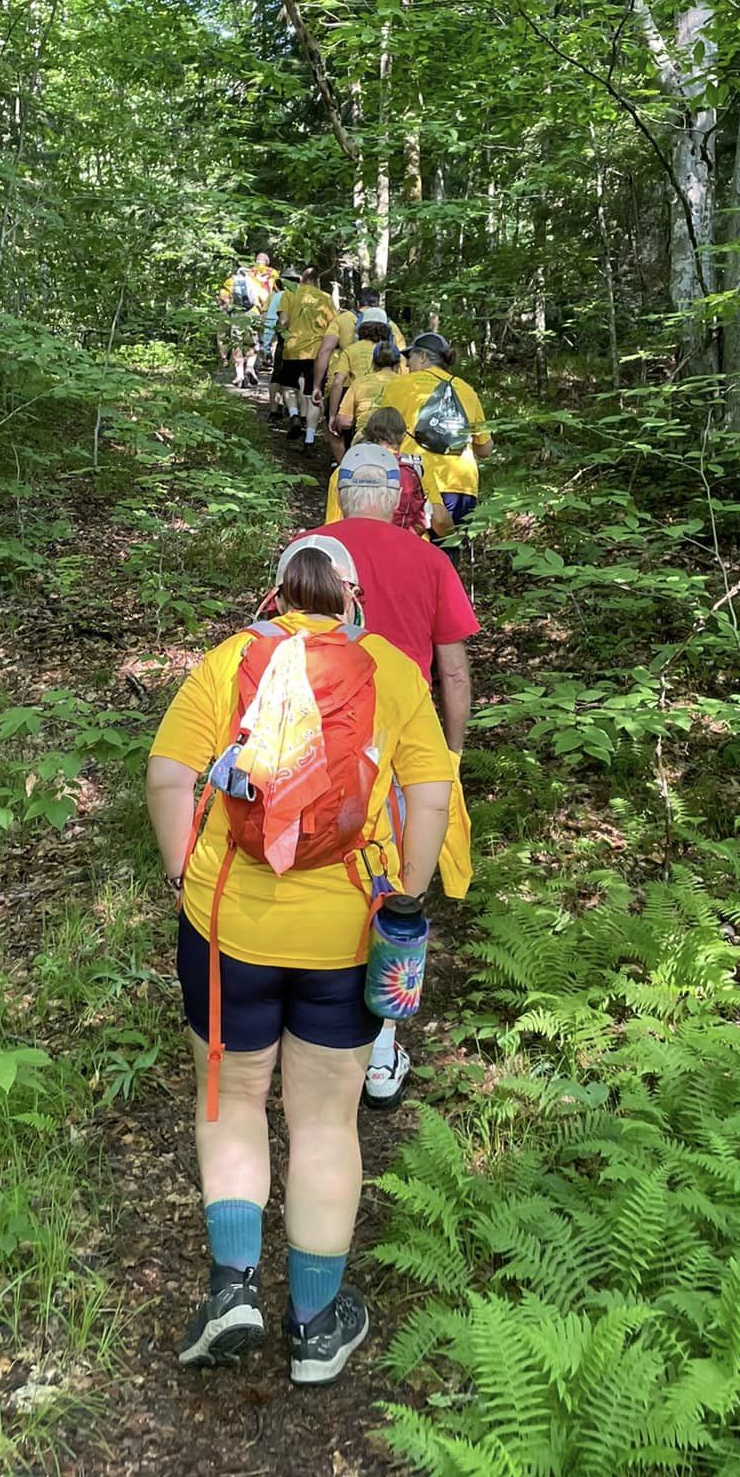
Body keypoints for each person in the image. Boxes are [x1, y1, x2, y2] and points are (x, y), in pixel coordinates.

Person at [147, 537, 453, 1383]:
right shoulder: (391, 670)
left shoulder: (229, 660)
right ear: (352, 596)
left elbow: (169, 775)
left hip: (226, 928)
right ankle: (315, 1328)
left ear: (277, 593)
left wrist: (181, 872)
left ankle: (234, 1290)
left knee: (233, 1102)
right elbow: (431, 794)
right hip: (345, 936)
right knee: (323, 1123)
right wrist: (406, 893)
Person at [295, 445, 479, 1112]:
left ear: (342, 493)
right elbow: (452, 670)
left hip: (315, 739)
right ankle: (378, 1055)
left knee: (313, 865)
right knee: (395, 891)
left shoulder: (308, 550)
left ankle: (303, 1011)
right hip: (402, 747)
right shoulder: (430, 560)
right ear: (400, 498)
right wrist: (450, 754)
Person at [380, 331, 493, 557]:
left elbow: (382, 436)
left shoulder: (399, 386)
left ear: (423, 357)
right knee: (447, 557)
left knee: (407, 555)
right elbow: (485, 449)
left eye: (410, 358)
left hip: (413, 480)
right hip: (461, 486)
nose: (407, 364)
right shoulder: (466, 390)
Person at [324, 405, 453, 544]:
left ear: (368, 434)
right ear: (403, 436)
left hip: (357, 547)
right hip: (408, 547)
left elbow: (333, 525)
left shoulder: (346, 470)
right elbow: (439, 519)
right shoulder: (417, 468)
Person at [312, 287, 406, 435]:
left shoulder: (342, 320)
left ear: (357, 303)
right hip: (384, 390)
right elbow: (403, 358)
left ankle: (344, 450)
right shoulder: (391, 325)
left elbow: (325, 351)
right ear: (378, 304)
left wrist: (316, 385)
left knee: (338, 433)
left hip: (345, 386)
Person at [276, 264, 337, 447]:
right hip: (317, 352)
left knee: (288, 386)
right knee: (313, 395)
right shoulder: (325, 298)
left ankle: (294, 415)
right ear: (317, 281)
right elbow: (334, 326)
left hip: (293, 348)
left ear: (301, 279)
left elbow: (283, 321)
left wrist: (280, 334)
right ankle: (310, 439)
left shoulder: (289, 294)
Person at [216, 262, 259, 389]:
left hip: (236, 315)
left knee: (237, 345)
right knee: (252, 344)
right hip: (253, 314)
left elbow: (223, 300)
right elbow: (262, 300)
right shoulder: (254, 282)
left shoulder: (230, 282)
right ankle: (250, 367)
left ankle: (240, 375)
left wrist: (225, 312)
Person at [262, 270, 296, 421]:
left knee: (277, 375)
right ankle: (294, 411)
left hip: (283, 341)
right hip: (302, 342)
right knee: (297, 377)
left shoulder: (277, 297)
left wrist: (266, 345)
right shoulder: (303, 297)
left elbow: (271, 322)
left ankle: (274, 411)